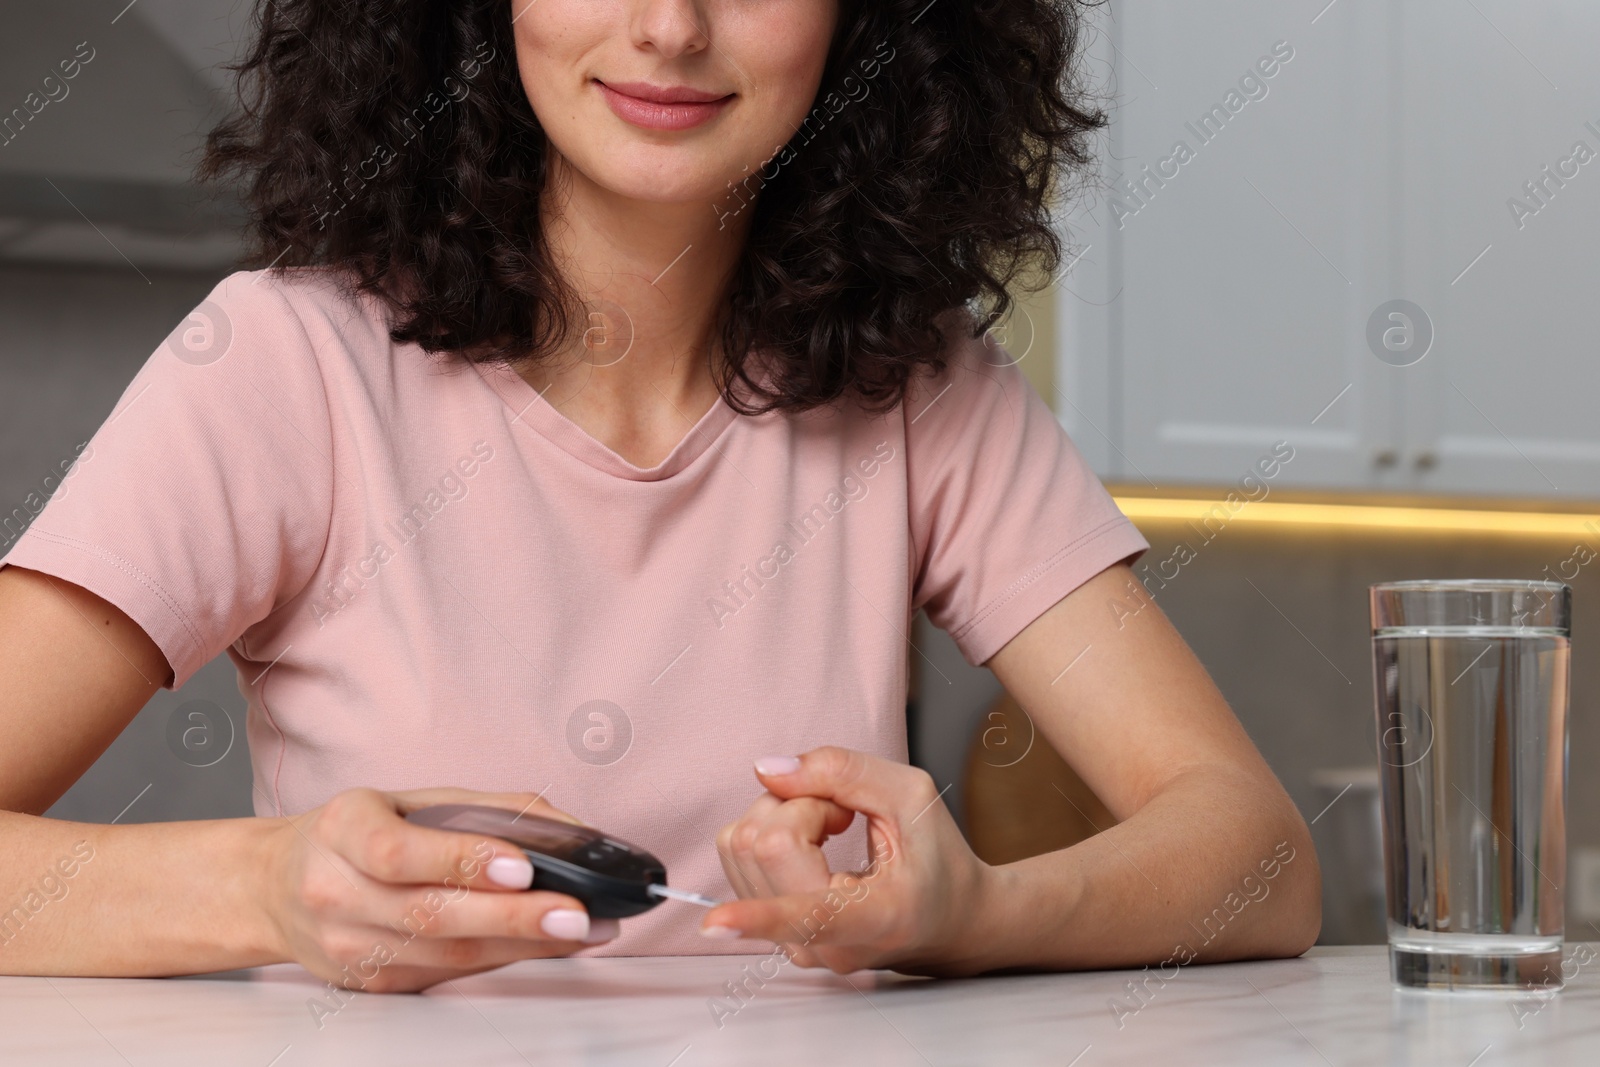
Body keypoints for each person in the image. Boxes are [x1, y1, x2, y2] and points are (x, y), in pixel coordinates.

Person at [0, 0, 1318, 992]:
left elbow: (1260, 857)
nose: (673, 27)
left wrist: (972, 916)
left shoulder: (922, 388)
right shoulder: (286, 367)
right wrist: (270, 890)